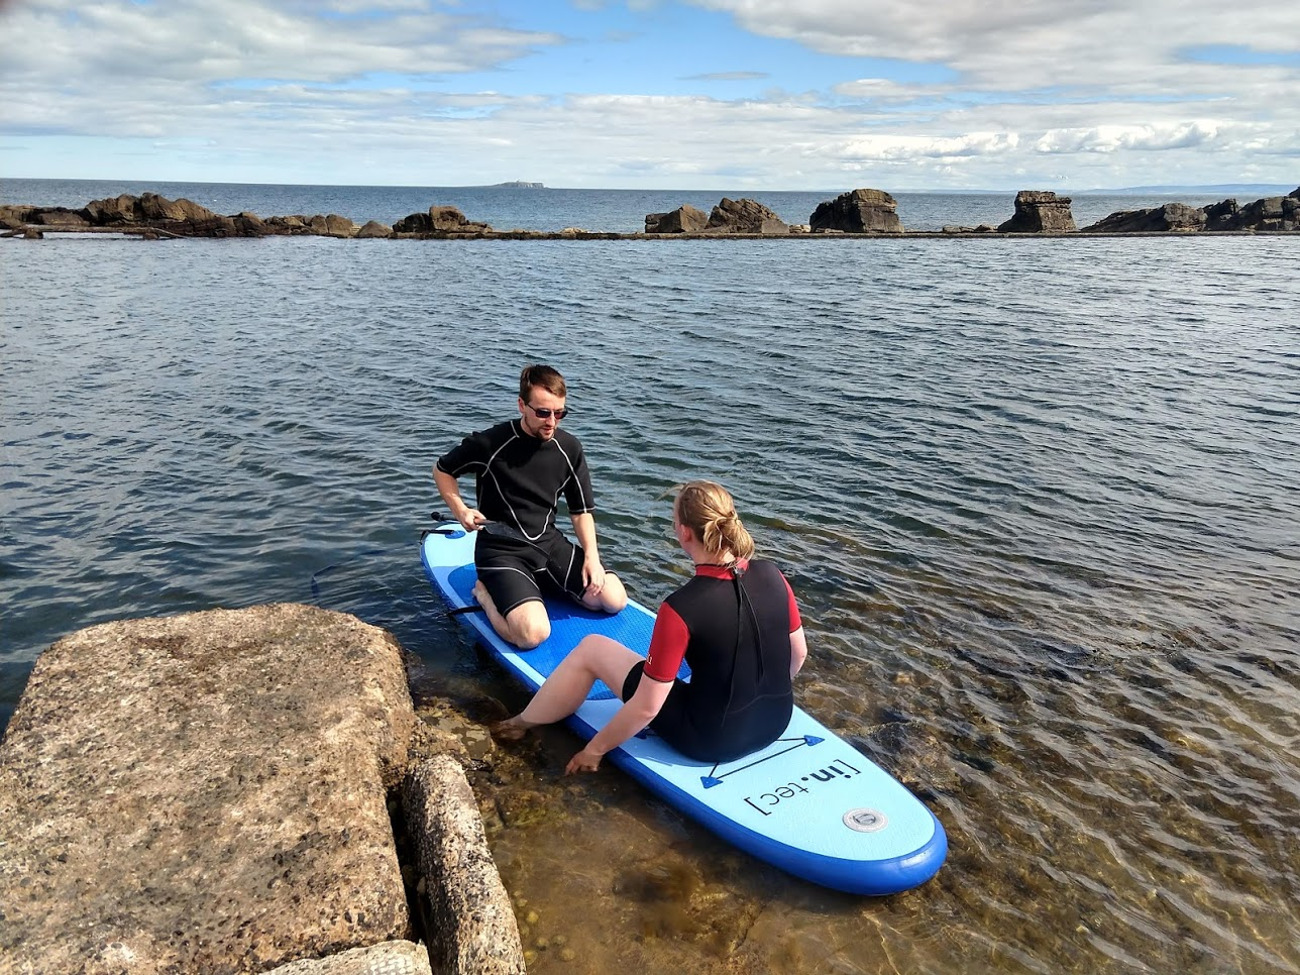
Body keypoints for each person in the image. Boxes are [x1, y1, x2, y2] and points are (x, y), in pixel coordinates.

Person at [493, 480, 808, 774]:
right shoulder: (772, 575)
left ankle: (521, 723)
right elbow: (798, 654)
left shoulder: (682, 607)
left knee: (592, 648)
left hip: (711, 742)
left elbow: (647, 708)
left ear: (685, 533)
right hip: (778, 720)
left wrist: (594, 750)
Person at [433, 364, 627, 649]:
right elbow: (442, 469)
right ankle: (486, 597)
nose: (552, 422)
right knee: (532, 636)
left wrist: (592, 559)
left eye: (559, 413)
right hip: (500, 552)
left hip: (546, 545)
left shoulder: (569, 448)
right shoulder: (491, 443)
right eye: (543, 412)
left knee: (613, 600)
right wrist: (461, 510)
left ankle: (537, 588)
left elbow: (581, 510)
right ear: (522, 405)